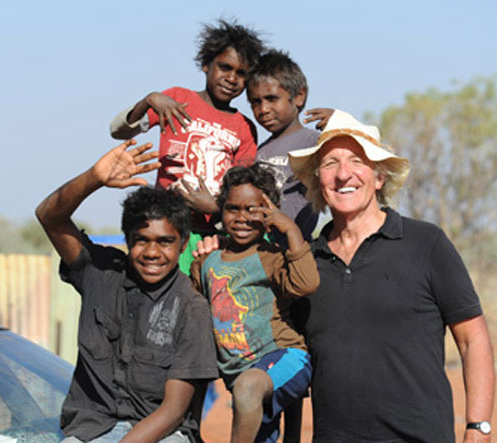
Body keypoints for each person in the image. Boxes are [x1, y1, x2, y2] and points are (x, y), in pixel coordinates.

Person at [287, 110, 496, 442]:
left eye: (357, 161)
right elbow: (291, 357)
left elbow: (473, 340)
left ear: (379, 177)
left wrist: (478, 427)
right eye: (329, 164)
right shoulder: (306, 263)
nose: (343, 175)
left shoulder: (426, 244)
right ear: (317, 181)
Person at [35, 140, 218, 442]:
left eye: (164, 242)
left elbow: (173, 411)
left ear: (183, 244)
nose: (151, 252)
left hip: (163, 434)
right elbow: (49, 217)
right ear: (127, 239)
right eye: (141, 239)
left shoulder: (191, 307)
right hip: (89, 431)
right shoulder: (99, 272)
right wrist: (93, 178)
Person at [110, 19, 265, 274]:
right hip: (164, 229)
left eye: (241, 73)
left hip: (210, 238)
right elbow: (118, 131)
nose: (232, 78)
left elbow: (241, 189)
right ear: (206, 65)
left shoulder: (244, 128)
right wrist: (149, 100)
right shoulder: (177, 99)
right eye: (225, 67)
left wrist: (215, 208)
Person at [190, 163, 320, 442]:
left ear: (270, 212)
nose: (242, 217)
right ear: (221, 210)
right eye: (233, 208)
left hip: (284, 358)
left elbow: (306, 284)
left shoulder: (271, 256)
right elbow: (195, 310)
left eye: (253, 209)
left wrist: (292, 231)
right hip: (241, 381)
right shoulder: (207, 260)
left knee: (249, 386)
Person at [247, 49, 333, 248]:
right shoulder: (259, 151)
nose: (263, 109)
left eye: (271, 99)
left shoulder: (314, 143)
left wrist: (340, 123)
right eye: (255, 102)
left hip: (298, 248)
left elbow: (358, 155)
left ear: (299, 96)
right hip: (261, 249)